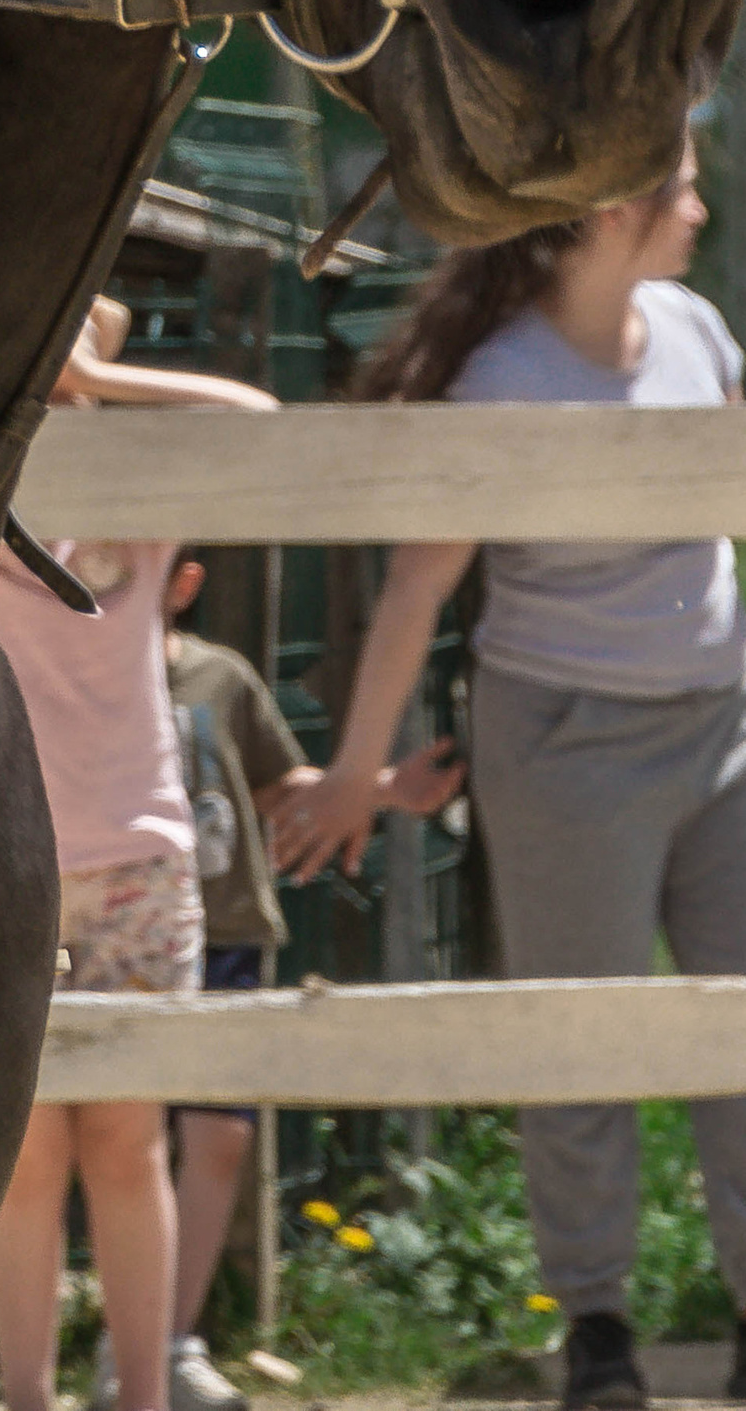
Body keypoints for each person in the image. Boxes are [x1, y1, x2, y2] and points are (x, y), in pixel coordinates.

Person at [274, 140, 746, 1410]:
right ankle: (600, 1333)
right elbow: (418, 585)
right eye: (680, 188)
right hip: (566, 741)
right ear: (611, 210)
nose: (701, 207)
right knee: (584, 1040)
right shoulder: (499, 384)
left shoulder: (693, 329)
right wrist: (353, 773)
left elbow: (745, 491)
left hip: (731, 720)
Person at [0, 303, 279, 1411]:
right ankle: (22, 1397)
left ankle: (141, 1396)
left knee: (126, 1140)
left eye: (92, 326)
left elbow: (258, 419)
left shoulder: (145, 488)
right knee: (20, 1160)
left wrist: (105, 381)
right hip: (5, 856)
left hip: (141, 854)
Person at [157, 556, 459, 1409]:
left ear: (181, 580)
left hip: (226, 931)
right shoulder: (63, 664)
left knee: (220, 1138)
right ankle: (124, 1342)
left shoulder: (221, 675)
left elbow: (270, 782)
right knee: (120, 1141)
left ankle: (169, 1342)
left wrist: (386, 788)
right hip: (114, 940)